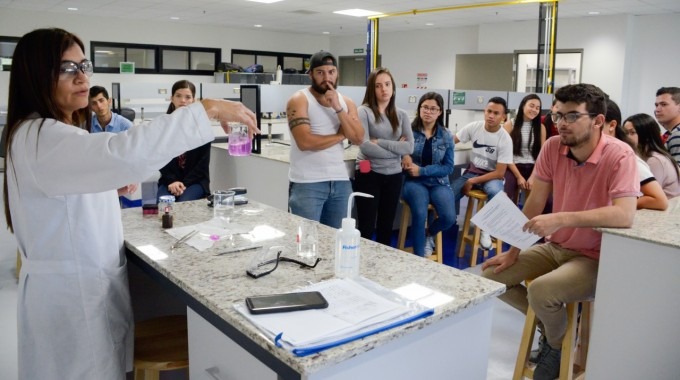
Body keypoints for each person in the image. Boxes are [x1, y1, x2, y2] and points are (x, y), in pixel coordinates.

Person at [3, 28, 257, 379]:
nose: (82, 77)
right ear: (35, 73)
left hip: (77, 289)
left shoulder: (41, 134)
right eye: (66, 68)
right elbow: (124, 152)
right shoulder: (44, 138)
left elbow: (78, 190)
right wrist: (207, 108)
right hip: (71, 302)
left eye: (84, 65)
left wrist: (106, 185)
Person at [481, 84, 639, 380]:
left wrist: (561, 219)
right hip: (556, 247)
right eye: (558, 116)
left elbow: (625, 214)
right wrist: (514, 251)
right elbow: (536, 201)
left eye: (571, 116)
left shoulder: (620, 155)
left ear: (598, 121)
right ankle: (553, 329)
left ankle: (555, 345)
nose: (562, 124)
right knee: (491, 276)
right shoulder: (554, 147)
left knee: (542, 290)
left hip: (594, 257)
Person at [286, 51, 364, 228]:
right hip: (307, 183)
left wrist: (337, 107)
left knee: (337, 239)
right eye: (320, 72)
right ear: (311, 74)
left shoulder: (345, 102)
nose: (326, 77)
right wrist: (340, 135)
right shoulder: (299, 100)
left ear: (337, 73)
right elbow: (305, 142)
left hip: (340, 181)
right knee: (306, 241)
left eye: (331, 72)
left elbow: (358, 138)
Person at [354, 68, 414, 245]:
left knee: (386, 226)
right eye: (378, 86)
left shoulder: (401, 114)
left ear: (393, 88)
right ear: (372, 89)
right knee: (366, 226)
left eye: (387, 84)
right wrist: (397, 149)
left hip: (394, 176)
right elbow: (364, 146)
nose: (383, 89)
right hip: (369, 174)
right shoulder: (363, 112)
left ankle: (382, 270)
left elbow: (409, 146)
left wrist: (379, 141)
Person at [452, 96, 513, 249]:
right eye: (489, 111)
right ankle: (431, 236)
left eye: (496, 113)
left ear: (503, 117)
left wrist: (472, 182)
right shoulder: (474, 127)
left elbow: (499, 173)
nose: (491, 116)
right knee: (447, 195)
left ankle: (486, 229)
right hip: (472, 171)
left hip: (492, 176)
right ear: (484, 112)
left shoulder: (505, 139)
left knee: (495, 191)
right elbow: (451, 140)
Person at [401, 92, 455, 257]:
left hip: (438, 181)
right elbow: (396, 151)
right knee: (420, 213)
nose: (428, 112)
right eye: (425, 107)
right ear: (419, 109)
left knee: (448, 217)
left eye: (433, 109)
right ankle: (419, 258)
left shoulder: (446, 136)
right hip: (414, 182)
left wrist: (423, 170)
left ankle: (428, 234)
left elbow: (448, 167)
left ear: (440, 112)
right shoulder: (408, 130)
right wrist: (403, 154)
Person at [604, 99, 667, 210]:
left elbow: (659, 200)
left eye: (632, 132)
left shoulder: (625, 157)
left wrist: (622, 204)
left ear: (612, 125)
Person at [156, 80, 212, 202]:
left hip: (195, 181)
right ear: (172, 98)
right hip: (169, 180)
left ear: (194, 100)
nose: (183, 100)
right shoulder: (163, 126)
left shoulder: (202, 127)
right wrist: (172, 181)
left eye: (188, 97)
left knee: (184, 203)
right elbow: (160, 158)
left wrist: (182, 184)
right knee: (163, 204)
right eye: (178, 96)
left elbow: (202, 165)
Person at [89, 85, 138, 199]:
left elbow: (135, 152)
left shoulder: (125, 125)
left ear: (109, 101)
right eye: (94, 103)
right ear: (90, 107)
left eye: (101, 100)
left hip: (119, 171)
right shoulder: (87, 125)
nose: (99, 106)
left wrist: (134, 177)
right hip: (97, 173)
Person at [502, 94, 547, 204]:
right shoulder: (509, 125)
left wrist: (533, 177)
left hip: (534, 168)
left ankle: (531, 221)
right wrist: (519, 177)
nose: (534, 110)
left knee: (546, 200)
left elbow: (541, 156)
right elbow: (505, 154)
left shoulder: (540, 128)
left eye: (537, 108)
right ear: (523, 106)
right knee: (506, 197)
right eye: (531, 106)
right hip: (513, 167)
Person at [624, 113, 680, 198]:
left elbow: (645, 195)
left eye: (632, 132)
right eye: (625, 133)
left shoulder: (654, 160)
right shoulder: (647, 157)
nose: (627, 137)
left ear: (646, 135)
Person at [654, 87, 680, 162]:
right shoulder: (671, 134)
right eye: (656, 105)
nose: (657, 110)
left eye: (664, 104)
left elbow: (677, 172)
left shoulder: (677, 134)